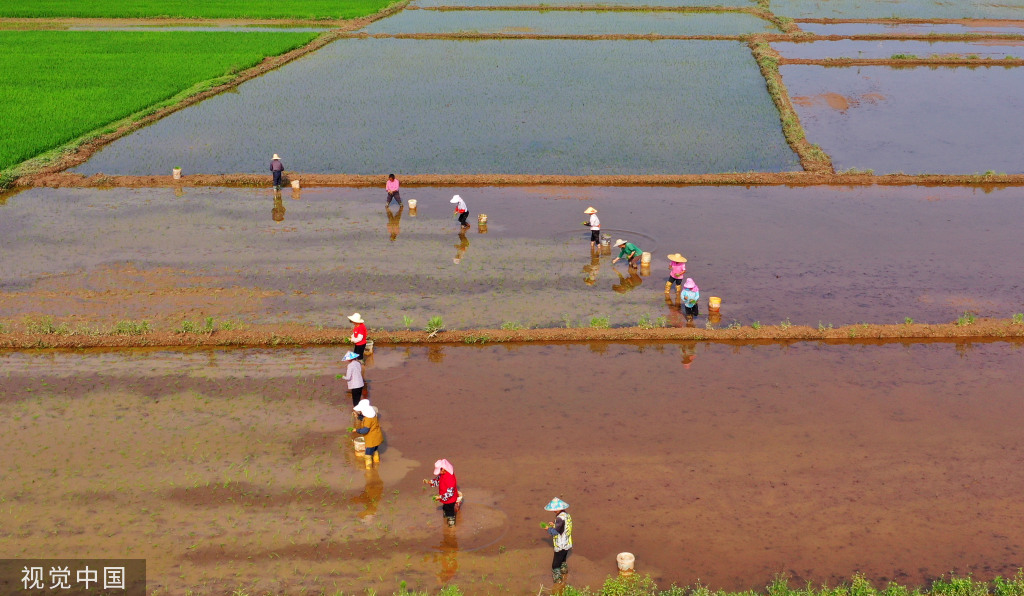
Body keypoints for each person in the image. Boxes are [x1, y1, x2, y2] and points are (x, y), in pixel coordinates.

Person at [542, 497, 573, 584]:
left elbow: (555, 532)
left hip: (561, 544)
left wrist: (548, 529)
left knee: (555, 565)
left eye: (555, 509)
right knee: (563, 559)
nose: (554, 511)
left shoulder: (559, 518)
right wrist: (555, 524)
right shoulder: (567, 515)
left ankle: (558, 581)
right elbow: (564, 526)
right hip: (567, 542)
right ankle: (564, 571)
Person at [425, 459, 459, 527]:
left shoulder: (450, 479)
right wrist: (430, 482)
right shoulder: (442, 474)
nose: (439, 473)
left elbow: (450, 493)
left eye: (439, 471)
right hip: (444, 496)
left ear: (444, 469)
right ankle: (446, 515)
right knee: (445, 507)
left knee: (449, 510)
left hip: (450, 499)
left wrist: (440, 497)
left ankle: (451, 523)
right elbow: (437, 480)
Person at [353, 399, 382, 468]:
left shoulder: (368, 419)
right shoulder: (373, 415)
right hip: (377, 436)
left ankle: (369, 470)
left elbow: (365, 430)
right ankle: (376, 461)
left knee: (368, 455)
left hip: (371, 438)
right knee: (375, 450)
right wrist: (359, 417)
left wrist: (356, 430)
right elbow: (365, 419)